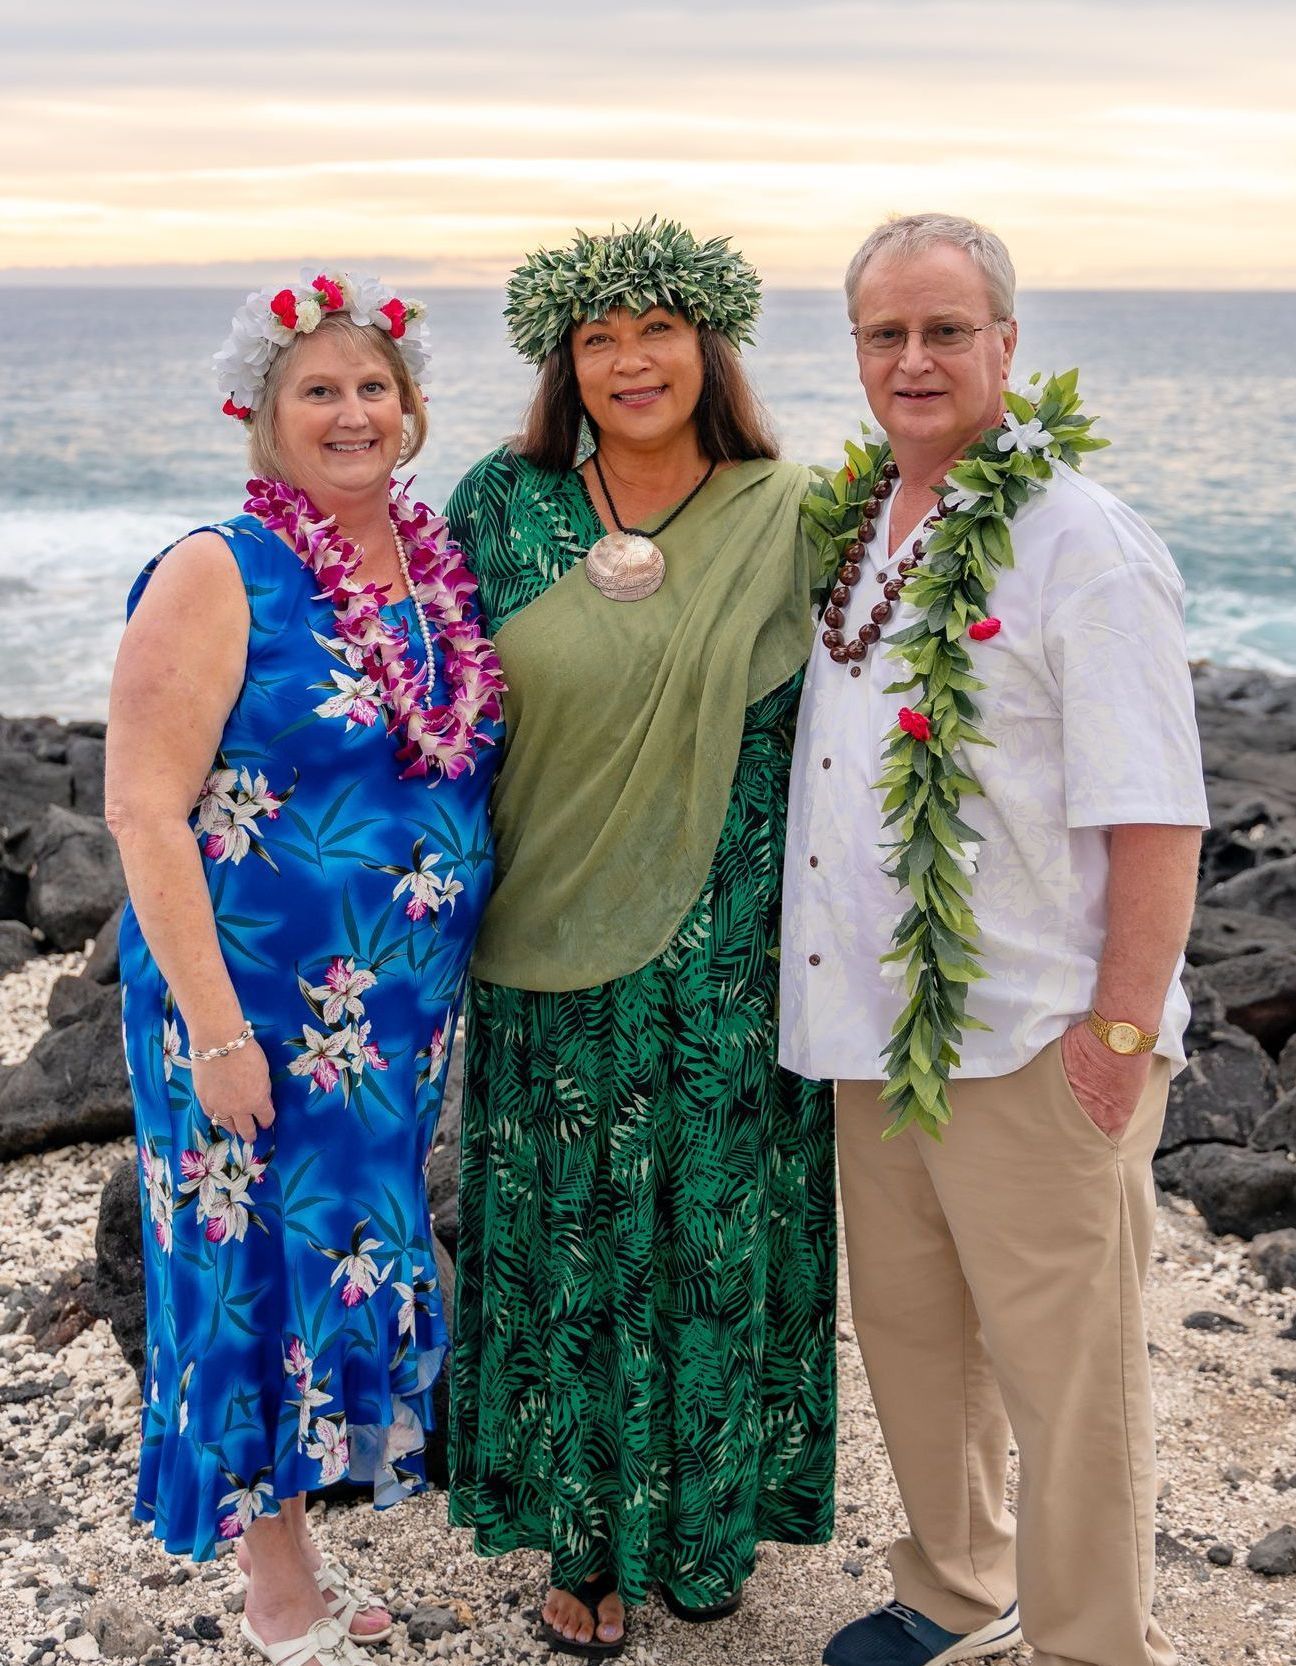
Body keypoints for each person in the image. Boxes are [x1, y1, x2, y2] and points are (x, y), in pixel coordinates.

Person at [780, 214, 1207, 1666]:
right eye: (886, 334)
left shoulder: (1080, 541)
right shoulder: (861, 532)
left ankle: (1094, 1644)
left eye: (946, 330)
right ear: (856, 354)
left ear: (1006, 345)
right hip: (875, 1031)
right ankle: (961, 1588)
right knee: (911, 1342)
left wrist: (1122, 1034)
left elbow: (1157, 811)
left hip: (1035, 1033)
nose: (914, 358)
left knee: (1068, 1381)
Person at [444, 219, 837, 1657]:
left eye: (655, 331)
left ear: (709, 346)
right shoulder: (503, 502)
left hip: (736, 952)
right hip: (551, 940)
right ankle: (583, 1539)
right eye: (598, 338)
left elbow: (884, 685)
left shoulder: (793, 509)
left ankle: (709, 1528)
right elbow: (420, 694)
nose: (629, 361)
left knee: (718, 1235)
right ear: (566, 361)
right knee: (574, 1234)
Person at [105, 271, 503, 1666]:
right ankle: (276, 1589)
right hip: (255, 1006)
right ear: (262, 413)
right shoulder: (220, 567)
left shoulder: (433, 568)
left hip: (389, 1024)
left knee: (339, 1257)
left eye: (373, 387)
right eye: (317, 389)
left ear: (414, 408)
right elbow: (142, 808)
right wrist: (217, 1030)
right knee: (247, 1265)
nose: (351, 413)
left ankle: (312, 1543)